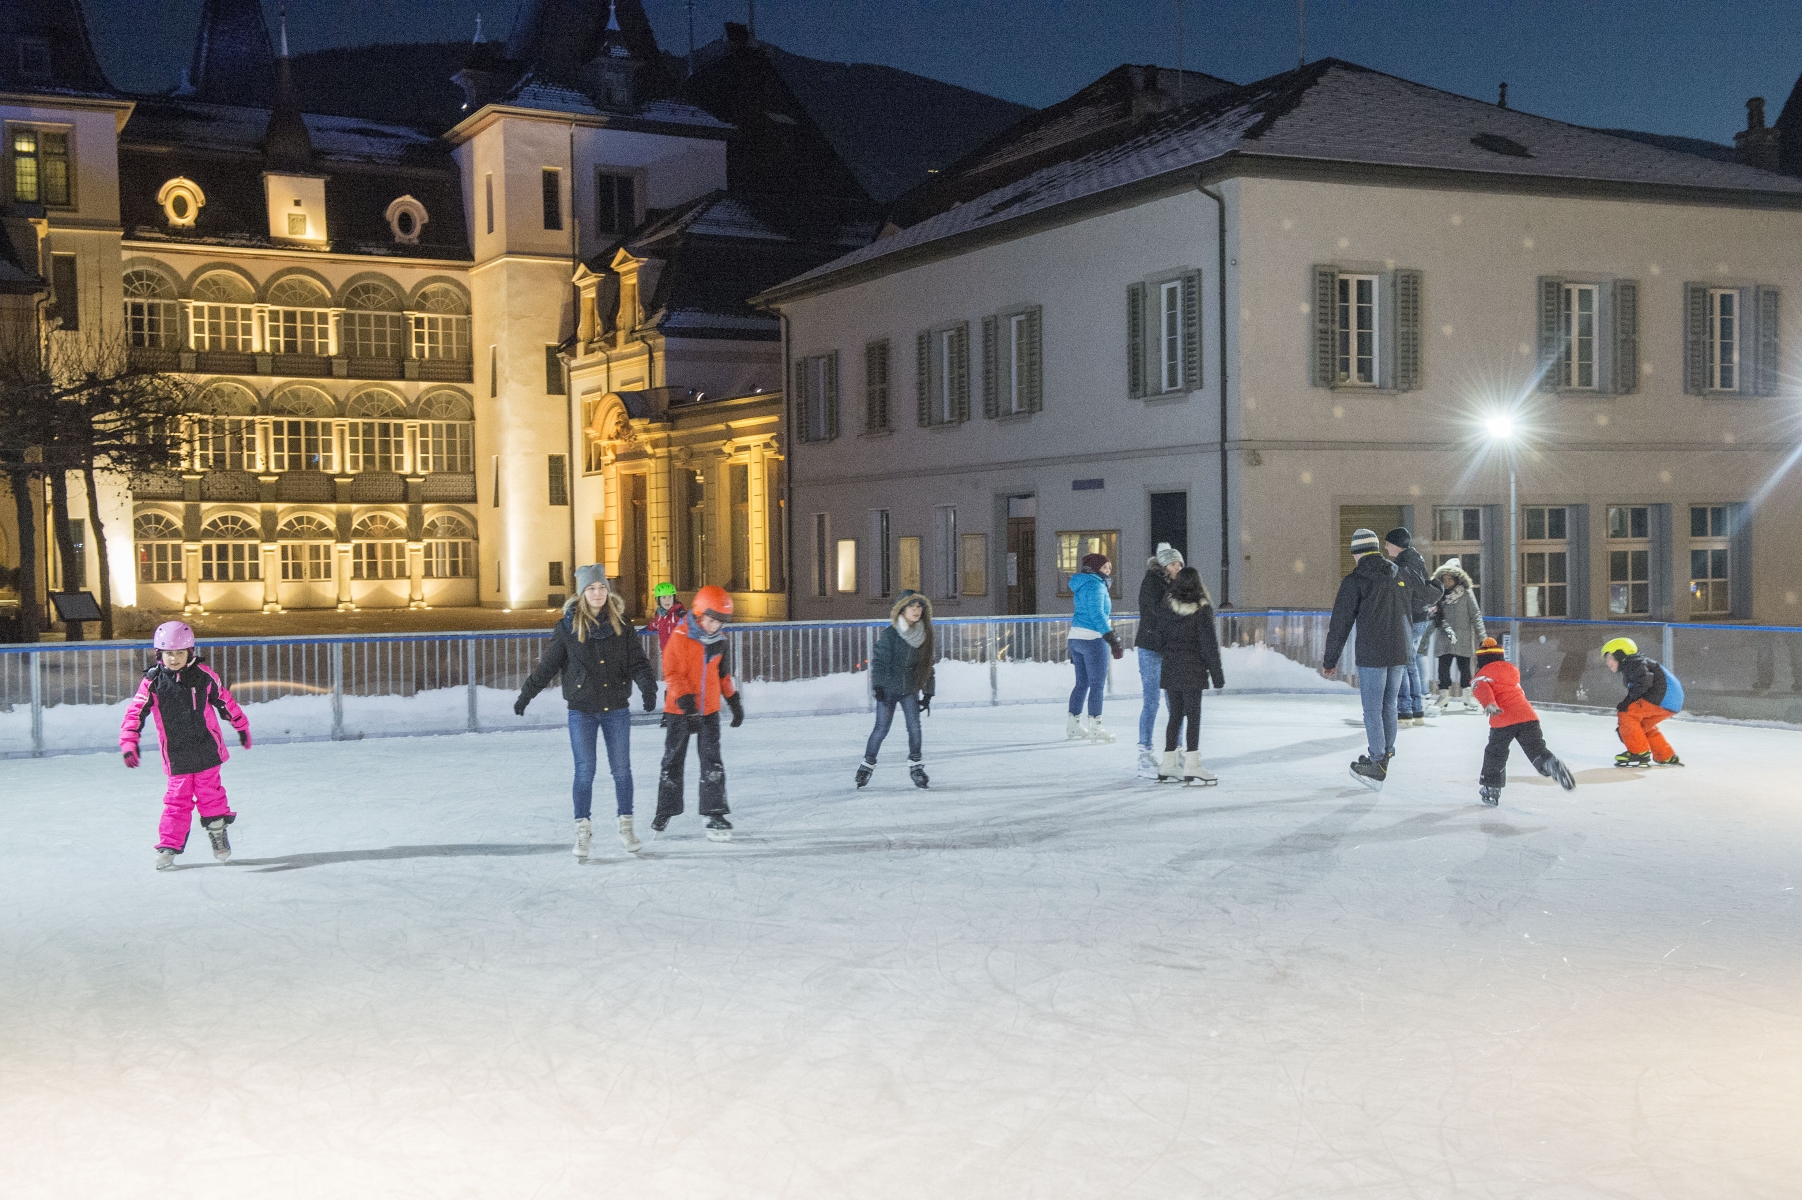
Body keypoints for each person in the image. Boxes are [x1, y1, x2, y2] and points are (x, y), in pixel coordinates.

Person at [515, 566, 659, 856]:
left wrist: (648, 688)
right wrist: (526, 694)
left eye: (602, 588)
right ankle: (583, 831)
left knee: (622, 771)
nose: (597, 593)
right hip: (582, 711)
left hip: (616, 708)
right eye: (591, 589)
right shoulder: (567, 627)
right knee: (585, 771)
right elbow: (548, 667)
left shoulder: (621, 623)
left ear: (608, 591)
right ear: (581, 593)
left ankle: (626, 828)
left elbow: (638, 662)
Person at [119, 621, 251, 871]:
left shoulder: (203, 675)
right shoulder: (153, 681)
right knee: (176, 801)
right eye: (169, 653)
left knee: (211, 795)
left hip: (207, 748)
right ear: (160, 654)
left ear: (189, 652)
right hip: (176, 754)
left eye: (180, 652)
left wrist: (241, 726)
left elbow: (225, 701)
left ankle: (217, 832)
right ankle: (169, 845)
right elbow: (135, 713)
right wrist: (129, 741)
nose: (174, 658)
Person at [1323, 527, 1414, 790]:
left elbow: (1340, 623)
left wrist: (1330, 660)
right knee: (1389, 706)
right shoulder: (1397, 574)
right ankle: (1384, 754)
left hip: (1373, 653)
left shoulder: (1355, 580)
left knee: (1373, 709)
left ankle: (1377, 762)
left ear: (1356, 553)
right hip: (1399, 651)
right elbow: (1410, 608)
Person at [656, 584, 744, 840]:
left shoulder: (719, 642)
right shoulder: (680, 637)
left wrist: (733, 701)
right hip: (679, 711)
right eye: (711, 619)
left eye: (720, 621)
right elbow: (672, 673)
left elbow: (723, 674)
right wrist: (687, 706)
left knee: (712, 761)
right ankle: (665, 810)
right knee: (673, 760)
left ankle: (714, 812)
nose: (715, 625)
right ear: (698, 613)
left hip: (709, 712)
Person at [1470, 637, 1576, 806]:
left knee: (1496, 753)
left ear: (1481, 660)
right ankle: (1549, 763)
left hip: (1503, 718)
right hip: (1528, 716)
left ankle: (1491, 788)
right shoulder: (1511, 672)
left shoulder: (1481, 676)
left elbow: (1481, 689)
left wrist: (1489, 703)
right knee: (1535, 748)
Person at [856, 590, 936, 789]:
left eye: (919, 607)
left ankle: (916, 767)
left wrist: (927, 692)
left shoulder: (924, 634)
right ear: (902, 609)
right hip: (888, 689)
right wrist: (878, 686)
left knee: (914, 727)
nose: (917, 610)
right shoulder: (891, 634)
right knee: (881, 729)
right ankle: (867, 765)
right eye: (912, 607)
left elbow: (926, 665)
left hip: (909, 688)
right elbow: (880, 662)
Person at [1155, 566, 1224, 786]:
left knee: (1175, 715)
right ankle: (1192, 765)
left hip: (1171, 667)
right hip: (1192, 669)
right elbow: (1209, 644)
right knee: (1193, 716)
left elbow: (1159, 637)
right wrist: (1217, 675)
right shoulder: (1202, 609)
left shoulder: (1166, 606)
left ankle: (1168, 763)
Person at [1133, 543, 1185, 778]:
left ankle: (1176, 753)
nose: (1179, 567)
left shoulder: (1180, 586)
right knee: (1152, 701)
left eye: (1181, 564)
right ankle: (1144, 755)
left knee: (1176, 703)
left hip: (1171, 650)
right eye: (1175, 564)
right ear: (1164, 565)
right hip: (1151, 649)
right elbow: (1152, 614)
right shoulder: (1152, 583)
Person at [1602, 636, 1686, 767]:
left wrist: (1628, 702)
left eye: (1610, 659)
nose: (1608, 663)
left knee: (1627, 714)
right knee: (1641, 726)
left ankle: (1639, 753)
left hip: (1662, 698)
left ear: (1621, 654)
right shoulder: (1637, 664)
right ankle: (1665, 755)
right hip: (1672, 702)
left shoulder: (1635, 664)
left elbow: (1644, 682)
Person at [1384, 528, 1439, 726]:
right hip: (1419, 618)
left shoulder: (1404, 565)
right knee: (1411, 663)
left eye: (1388, 543)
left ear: (1397, 544)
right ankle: (1416, 711)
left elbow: (1412, 592)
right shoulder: (1415, 560)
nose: (1386, 547)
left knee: (1403, 664)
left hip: (1411, 619)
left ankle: (1406, 711)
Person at [1067, 552, 1122, 743]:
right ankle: (1096, 728)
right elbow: (1097, 614)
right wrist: (1111, 637)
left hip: (1075, 638)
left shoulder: (1081, 584)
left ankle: (1073, 725)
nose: (1108, 571)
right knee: (1097, 685)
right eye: (1105, 567)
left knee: (1082, 684)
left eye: (1109, 568)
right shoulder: (1096, 585)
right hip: (1092, 639)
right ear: (1096, 568)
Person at [1425, 559, 1484, 712]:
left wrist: (1483, 637)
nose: (1446, 582)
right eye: (1444, 579)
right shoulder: (1439, 595)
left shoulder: (1466, 594)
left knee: (1464, 667)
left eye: (1450, 579)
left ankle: (1468, 695)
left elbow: (1475, 615)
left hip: (1462, 638)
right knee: (1443, 668)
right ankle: (1443, 696)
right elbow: (1431, 615)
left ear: (1458, 579)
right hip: (1444, 638)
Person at [648, 581, 687, 650]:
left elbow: (688, 626)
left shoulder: (679, 612)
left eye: (670, 597)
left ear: (674, 598)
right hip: (666, 652)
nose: (667, 600)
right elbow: (655, 624)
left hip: (680, 651)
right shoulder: (659, 615)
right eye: (664, 597)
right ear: (658, 600)